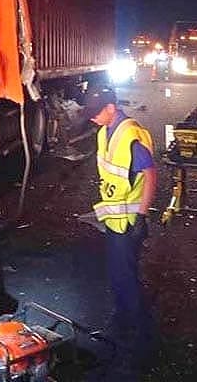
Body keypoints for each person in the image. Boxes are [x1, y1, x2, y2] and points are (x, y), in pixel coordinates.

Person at [82, 84, 157, 367]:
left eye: (95, 112)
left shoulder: (129, 136)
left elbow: (149, 175)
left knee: (124, 275)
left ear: (111, 108)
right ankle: (124, 319)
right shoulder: (105, 132)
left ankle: (137, 334)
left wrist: (141, 215)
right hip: (116, 219)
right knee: (118, 273)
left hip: (128, 223)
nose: (92, 118)